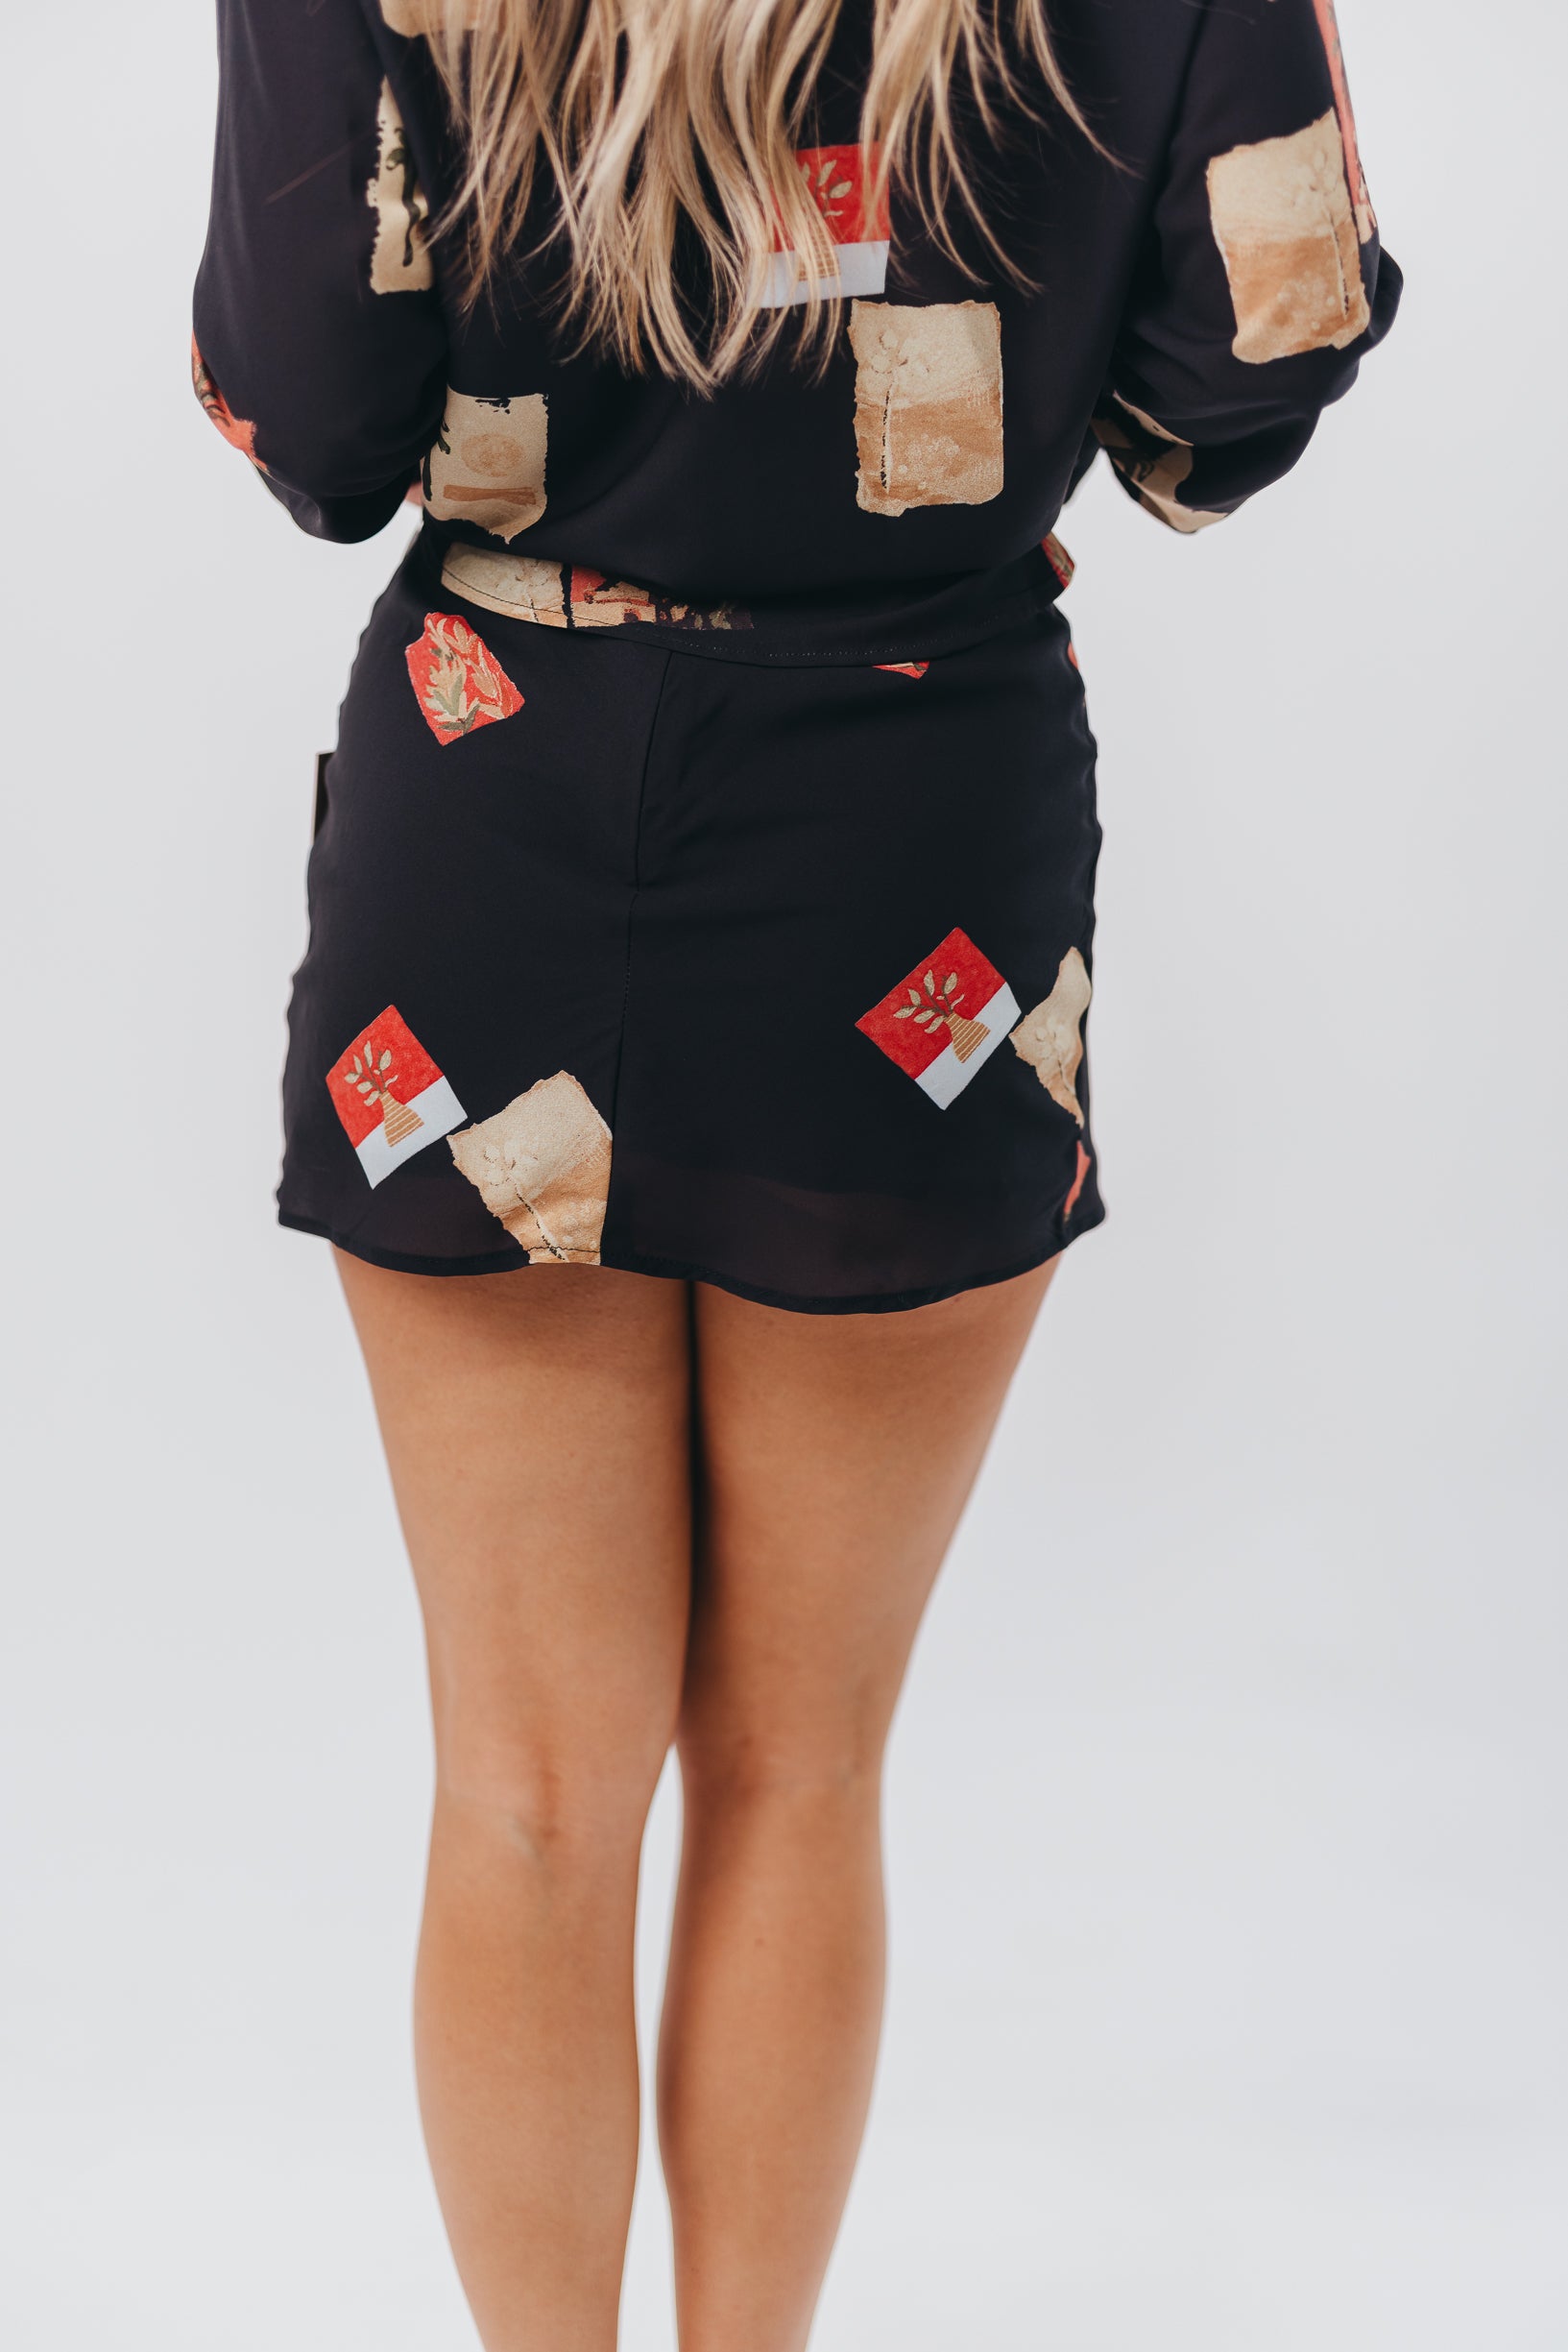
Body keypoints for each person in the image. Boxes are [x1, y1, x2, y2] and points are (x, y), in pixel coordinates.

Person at [192, 1, 1398, 2343]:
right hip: (908, 838)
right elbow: (1241, 382)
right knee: (804, 1764)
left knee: (528, 1790)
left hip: (492, 814)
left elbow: (317, 425)